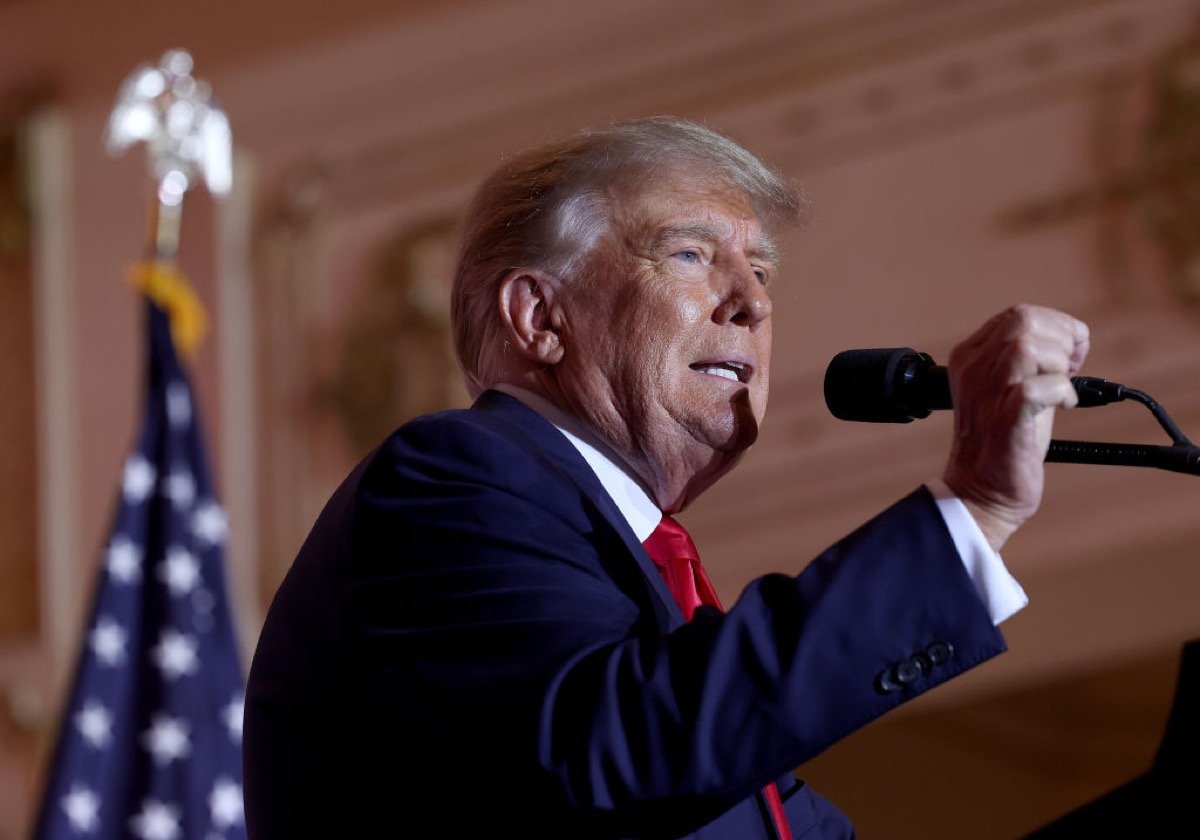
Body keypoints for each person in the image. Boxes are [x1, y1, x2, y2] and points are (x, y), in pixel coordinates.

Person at [243, 117, 1090, 839]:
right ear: (540, 318)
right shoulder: (457, 477)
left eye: (761, 272)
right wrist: (971, 509)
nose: (752, 304)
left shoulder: (634, 580)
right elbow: (628, 747)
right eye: (690, 254)